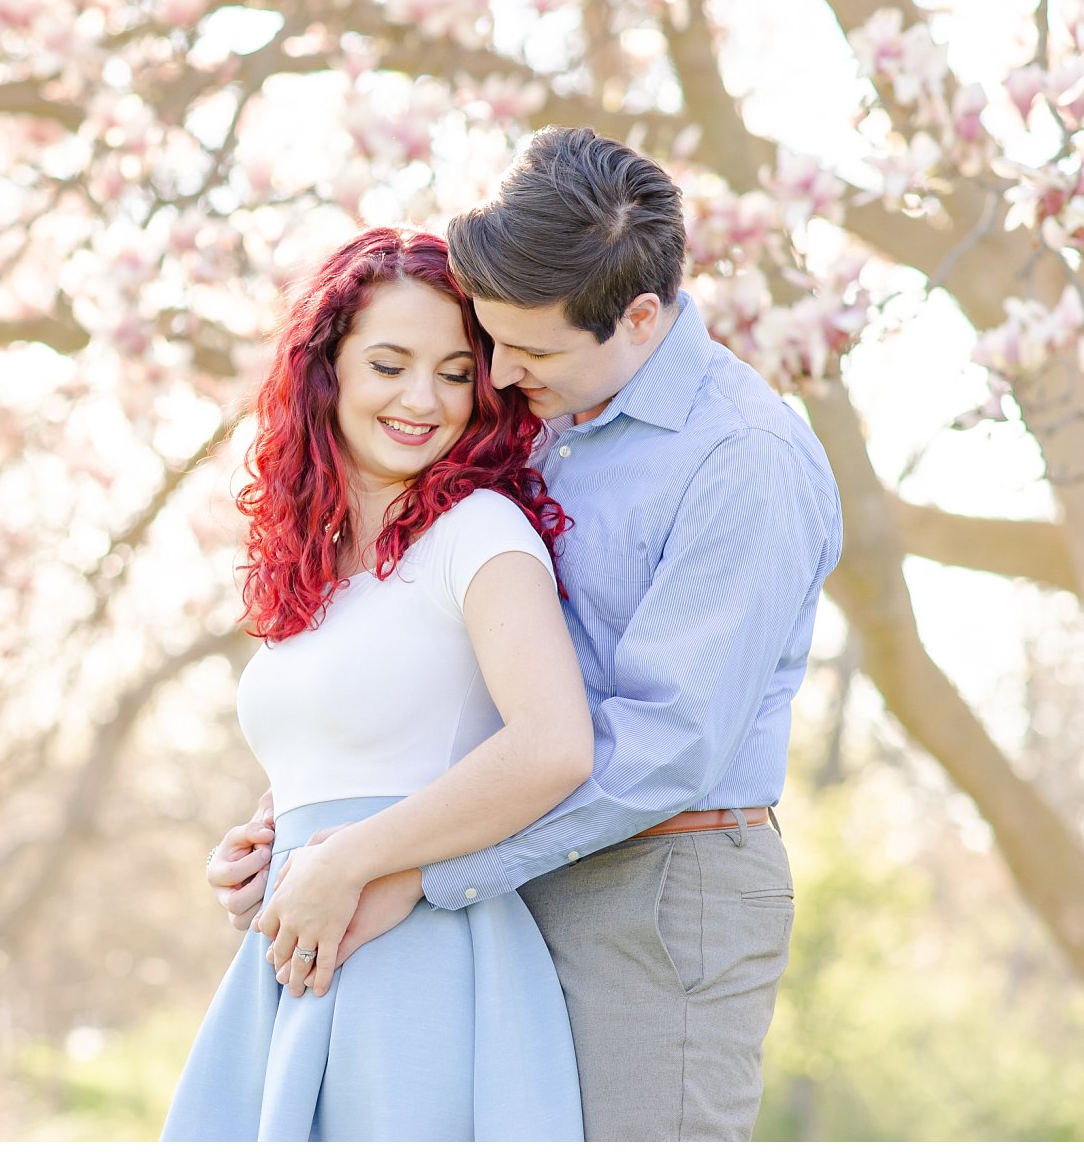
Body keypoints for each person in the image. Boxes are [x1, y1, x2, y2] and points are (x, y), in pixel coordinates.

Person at [208, 128, 845, 1141]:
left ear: (639, 317)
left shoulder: (743, 461)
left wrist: (405, 868)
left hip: (652, 888)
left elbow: (663, 747)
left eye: (526, 350)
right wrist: (303, 820)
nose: (496, 373)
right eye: (490, 346)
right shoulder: (547, 404)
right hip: (502, 869)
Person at [161, 225, 592, 1142]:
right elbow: (361, 740)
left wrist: (344, 860)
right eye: (389, 365)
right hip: (307, 947)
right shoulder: (316, 569)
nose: (422, 400)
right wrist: (269, 844)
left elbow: (553, 745)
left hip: (421, 956)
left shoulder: (480, 532)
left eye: (452, 372)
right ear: (330, 372)